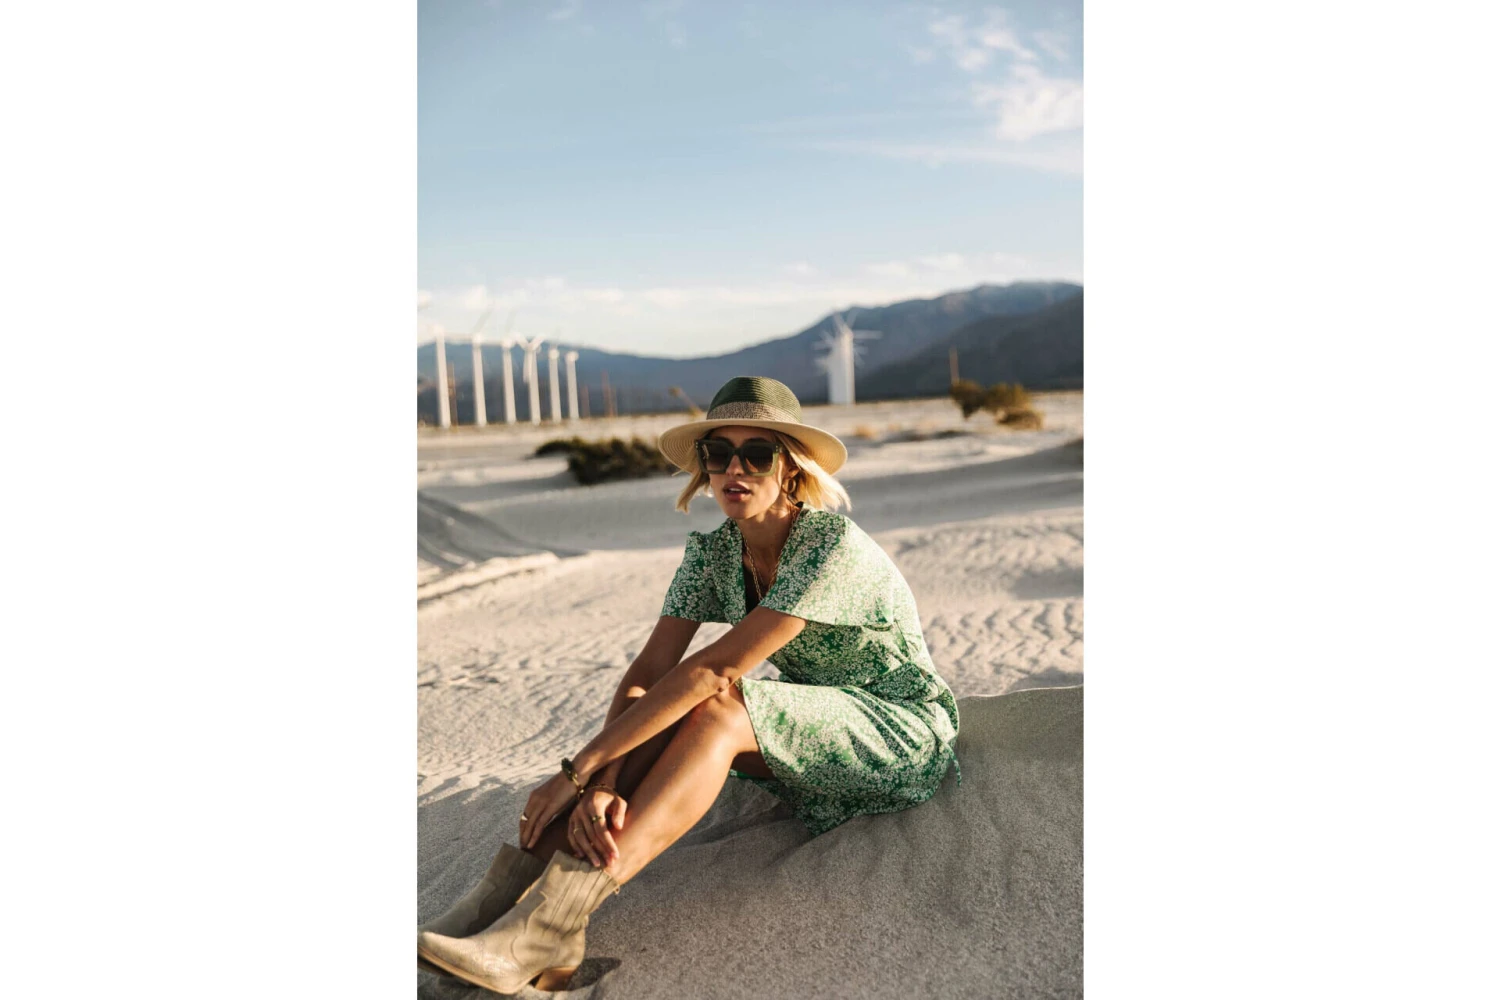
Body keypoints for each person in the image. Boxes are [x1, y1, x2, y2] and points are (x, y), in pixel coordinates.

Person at [417, 376, 962, 993]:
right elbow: (649, 672)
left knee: (716, 704)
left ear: (790, 467)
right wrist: (601, 782)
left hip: (900, 732)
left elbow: (715, 671)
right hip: (812, 733)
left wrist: (578, 768)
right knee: (664, 710)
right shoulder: (713, 553)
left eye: (757, 454)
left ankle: (553, 924)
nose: (735, 468)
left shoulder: (831, 547)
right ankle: (494, 905)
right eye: (718, 452)